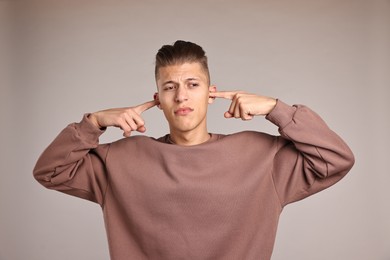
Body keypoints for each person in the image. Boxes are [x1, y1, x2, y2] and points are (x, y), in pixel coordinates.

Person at [33, 40, 354, 260]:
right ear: (157, 99)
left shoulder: (261, 156)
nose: (182, 96)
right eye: (170, 87)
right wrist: (95, 122)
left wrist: (276, 108)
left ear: (211, 94)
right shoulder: (121, 159)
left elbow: (335, 160)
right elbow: (51, 171)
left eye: (193, 84)